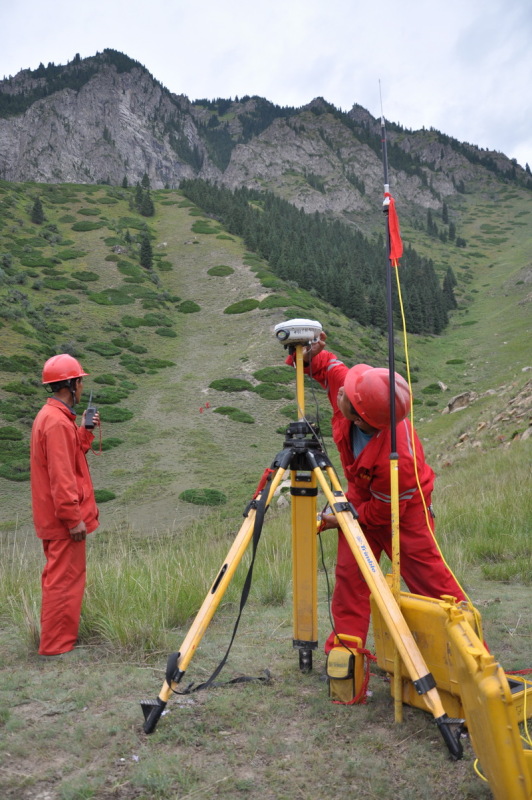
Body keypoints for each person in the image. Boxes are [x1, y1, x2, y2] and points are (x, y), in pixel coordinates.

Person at [287, 331, 467, 653]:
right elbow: (331, 371)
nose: (341, 390)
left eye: (347, 396)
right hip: (360, 499)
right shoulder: (359, 394)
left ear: (359, 417)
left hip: (406, 512)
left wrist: (340, 521)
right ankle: (347, 659)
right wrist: (311, 355)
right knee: (349, 580)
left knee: (432, 583)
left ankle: (468, 650)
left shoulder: (398, 460)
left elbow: (384, 513)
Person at [30, 354, 100, 657]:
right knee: (64, 582)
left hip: (55, 519)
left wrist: (84, 430)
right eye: (80, 381)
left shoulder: (56, 418)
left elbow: (72, 455)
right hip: (63, 522)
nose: (82, 387)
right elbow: (62, 477)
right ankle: (57, 647)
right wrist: (74, 519)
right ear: (71, 385)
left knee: (63, 579)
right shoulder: (57, 422)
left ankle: (60, 642)